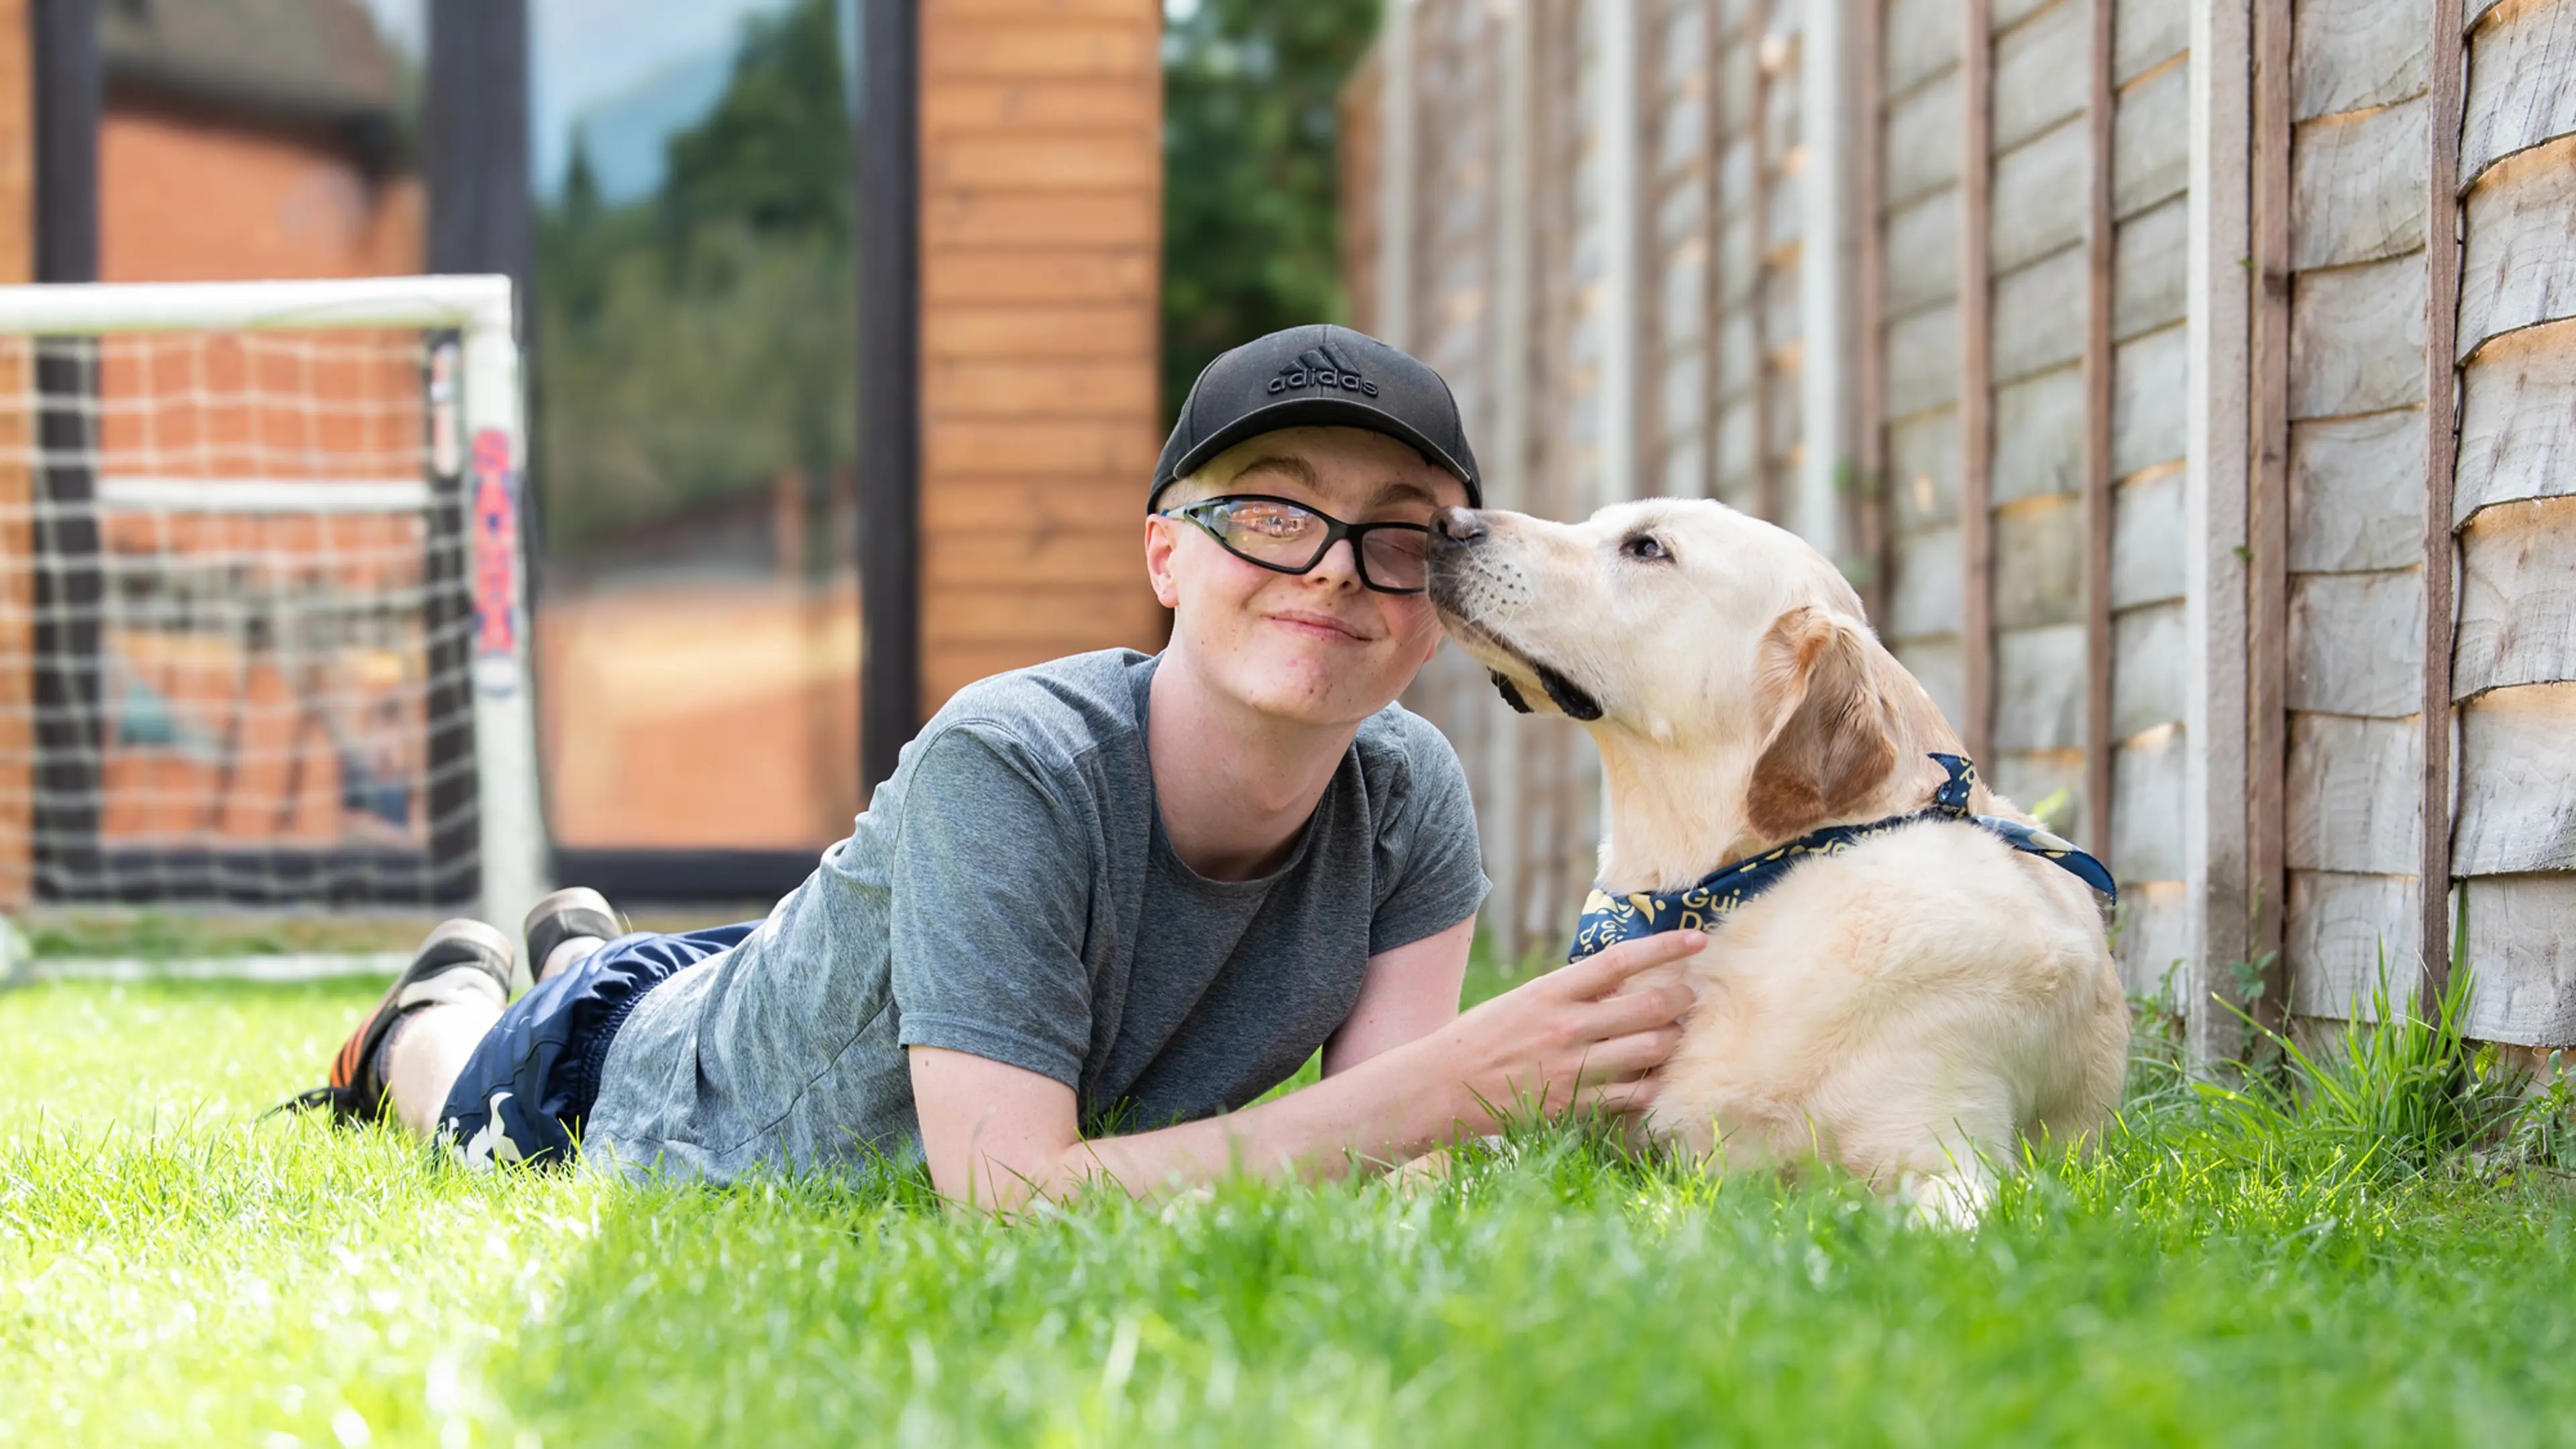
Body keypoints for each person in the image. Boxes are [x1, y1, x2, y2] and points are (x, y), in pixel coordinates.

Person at [283, 325, 1703, 1209]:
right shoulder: (1008, 763)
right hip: (655, 1086)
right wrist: (1472, 1076)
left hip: (824, 974)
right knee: (462, 1084)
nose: (1331, 571)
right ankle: (457, 999)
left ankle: (581, 953)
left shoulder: (1409, 800)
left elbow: (1383, 1161)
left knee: (677, 973)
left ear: (1439, 599)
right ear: (1165, 554)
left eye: (1397, 533)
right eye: (1270, 514)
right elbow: (1015, 1194)